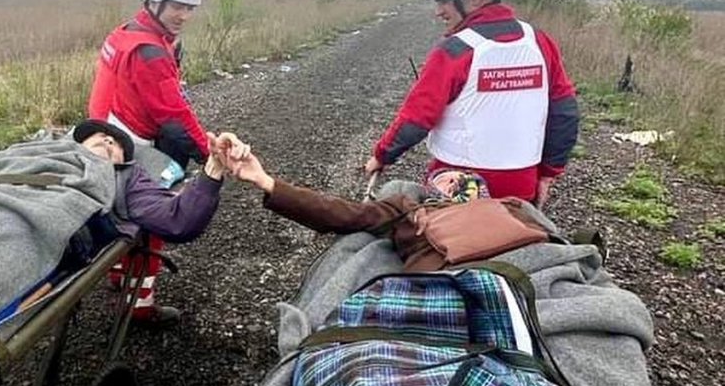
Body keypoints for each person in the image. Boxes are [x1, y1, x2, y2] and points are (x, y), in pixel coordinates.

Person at [365, 0, 579, 206]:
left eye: (445, 1)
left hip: (457, 188)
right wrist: (547, 175)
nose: (439, 11)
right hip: (521, 187)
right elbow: (565, 112)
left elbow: (417, 119)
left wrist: (381, 156)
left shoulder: (455, 50)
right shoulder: (538, 41)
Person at [212, 134, 546, 272]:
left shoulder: (514, 208)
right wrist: (265, 181)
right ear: (432, 191)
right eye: (445, 177)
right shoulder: (409, 208)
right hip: (453, 278)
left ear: (482, 193)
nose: (455, 177)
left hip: (524, 267)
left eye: (462, 178)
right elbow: (338, 213)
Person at [87, 0, 211, 320]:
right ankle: (140, 305)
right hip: (129, 142)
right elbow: (174, 116)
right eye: (177, 6)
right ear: (154, 2)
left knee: (117, 210)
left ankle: (116, 273)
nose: (184, 15)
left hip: (102, 132)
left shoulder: (123, 33)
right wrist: (208, 154)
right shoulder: (150, 52)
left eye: (189, 8)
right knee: (157, 211)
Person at [72, 118, 226, 324]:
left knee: (143, 227)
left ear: (122, 163)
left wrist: (212, 168)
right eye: (100, 137)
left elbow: (178, 220)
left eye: (113, 144)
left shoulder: (124, 180)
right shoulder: (49, 151)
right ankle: (125, 284)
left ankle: (137, 301)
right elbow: (176, 111)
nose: (108, 140)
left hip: (45, 235)